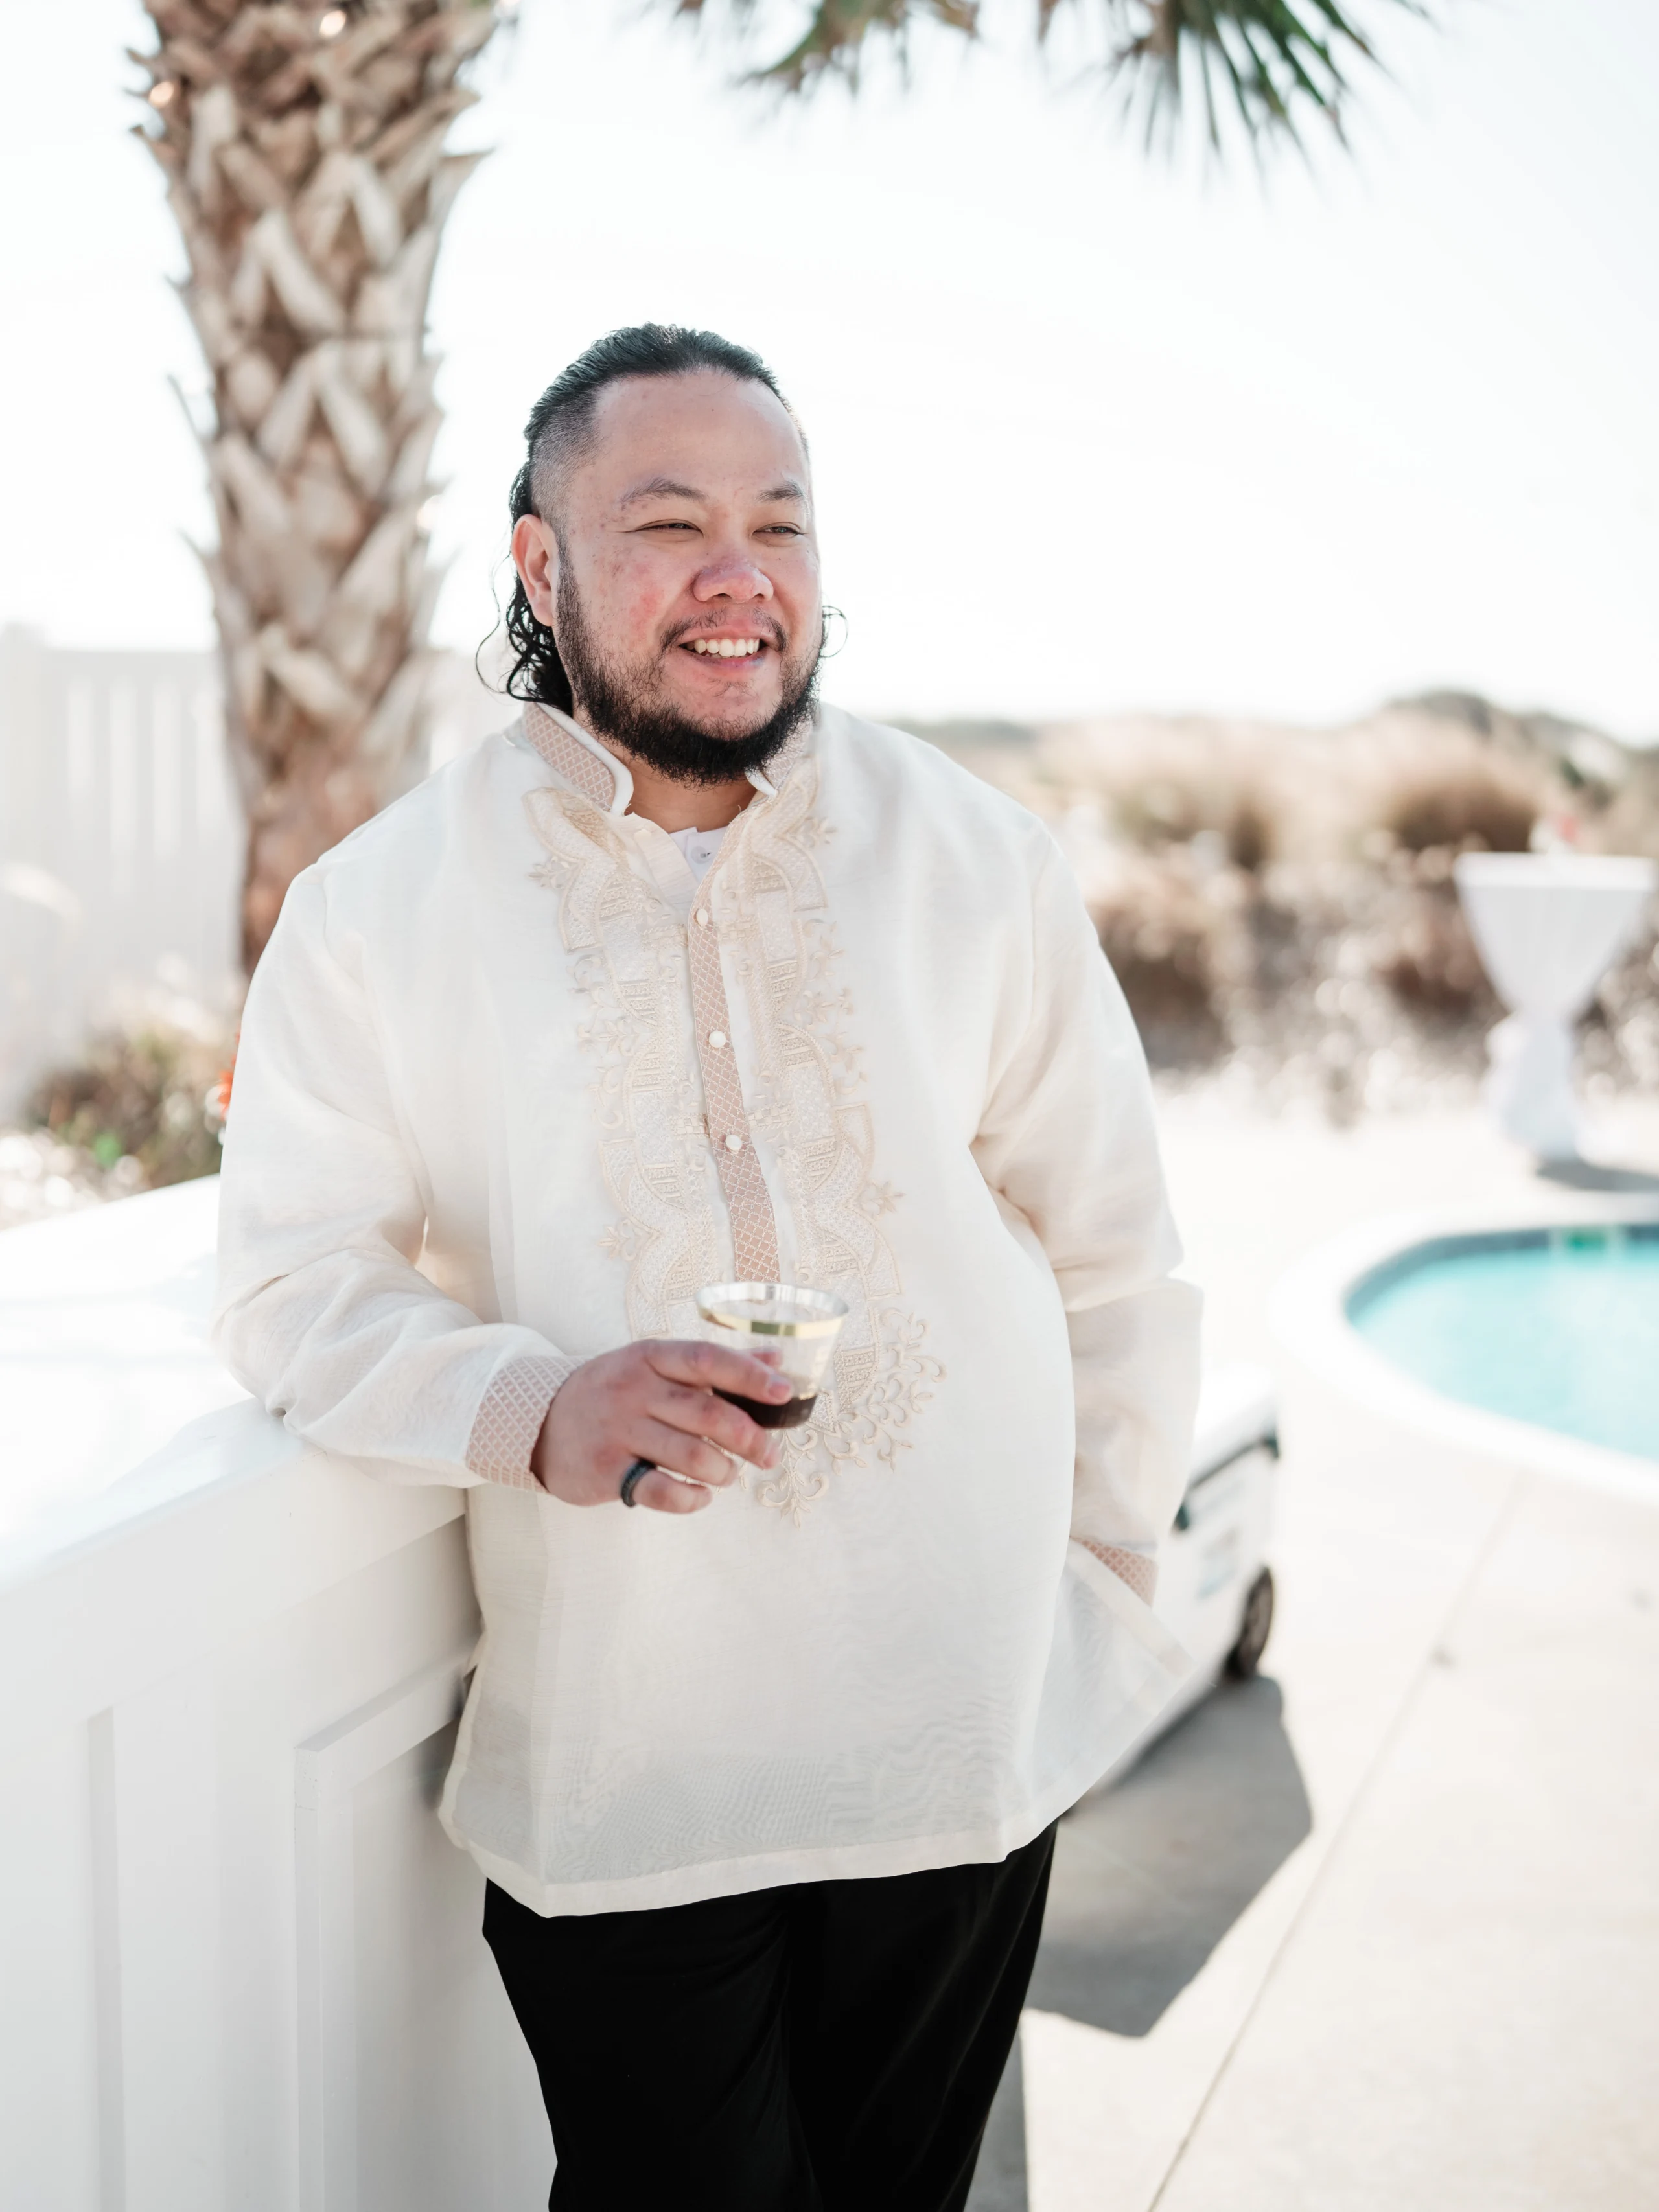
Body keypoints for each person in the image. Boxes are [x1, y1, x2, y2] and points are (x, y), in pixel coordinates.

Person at [214, 324, 1201, 2211]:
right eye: (668, 522)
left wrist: (1102, 1593)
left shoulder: (980, 857)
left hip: (960, 1738)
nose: (740, 572)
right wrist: (534, 1402)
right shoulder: (378, 908)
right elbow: (291, 1277)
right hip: (630, 1766)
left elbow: (1117, 1249)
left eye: (780, 520)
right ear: (540, 567)